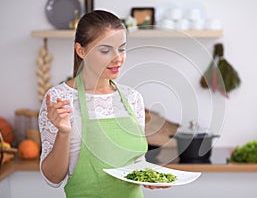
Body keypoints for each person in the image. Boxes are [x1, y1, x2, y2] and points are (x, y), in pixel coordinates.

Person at [38, 10, 169, 198]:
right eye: (106, 50)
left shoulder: (132, 98)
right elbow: (52, 178)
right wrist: (63, 133)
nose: (118, 58)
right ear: (81, 50)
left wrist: (149, 177)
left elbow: (136, 163)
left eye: (122, 49)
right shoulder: (60, 98)